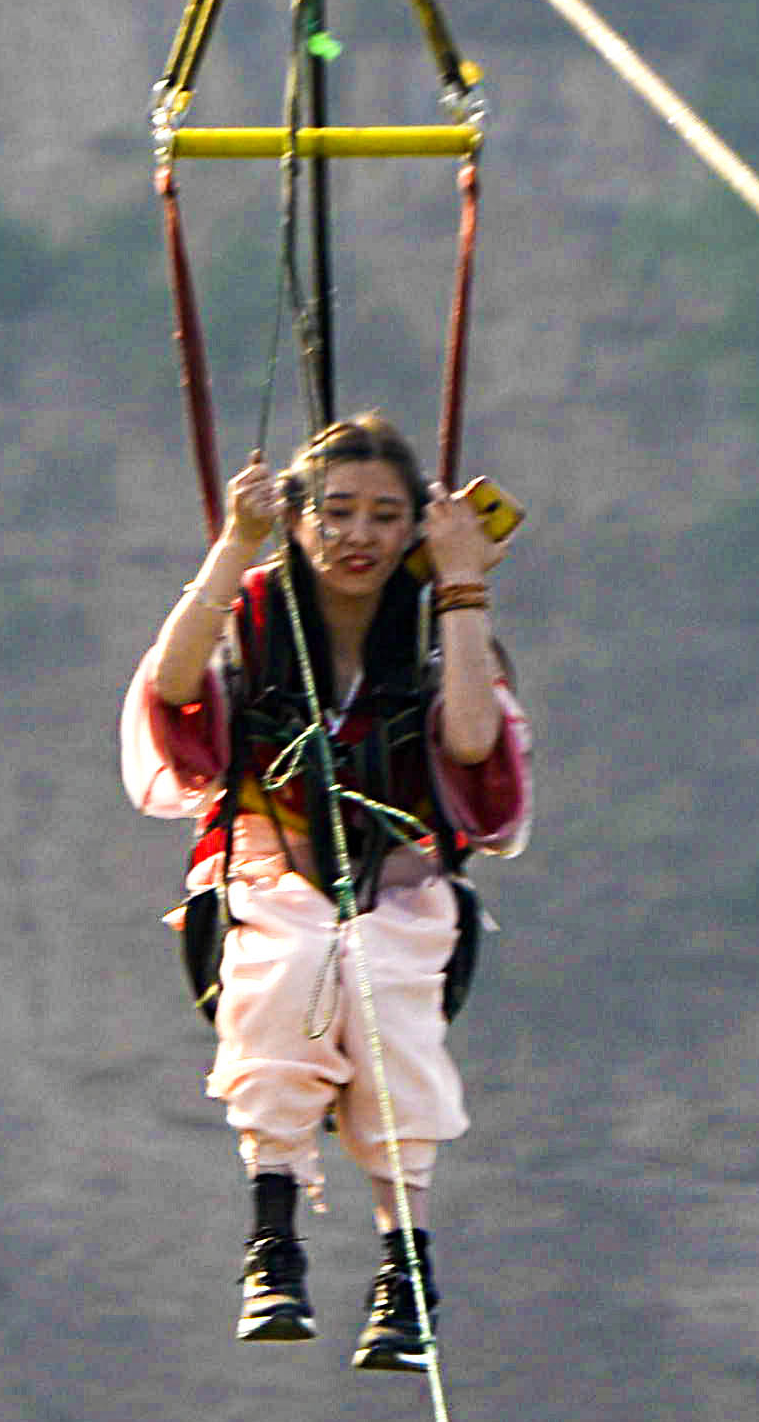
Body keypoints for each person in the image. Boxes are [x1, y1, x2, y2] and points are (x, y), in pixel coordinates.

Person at [122, 413, 525, 1370]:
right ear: (300, 520)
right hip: (266, 884)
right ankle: (274, 1237)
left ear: (414, 531)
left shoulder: (431, 633)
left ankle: (405, 1270)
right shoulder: (257, 622)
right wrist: (234, 546)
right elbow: (174, 686)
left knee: (380, 984)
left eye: (386, 517)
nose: (359, 537)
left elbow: (473, 745)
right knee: (298, 958)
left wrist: (463, 586)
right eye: (337, 513)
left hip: (399, 898)